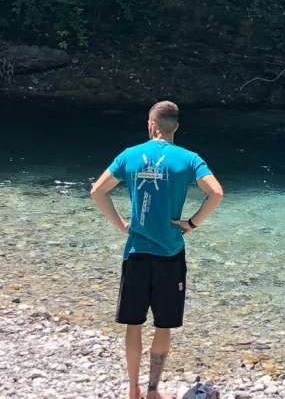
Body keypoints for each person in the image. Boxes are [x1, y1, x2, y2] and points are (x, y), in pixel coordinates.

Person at [89, 101, 224, 399]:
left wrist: (120, 224)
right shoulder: (189, 159)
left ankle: (133, 390)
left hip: (135, 251)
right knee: (163, 325)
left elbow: (97, 191)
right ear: (176, 126)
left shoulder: (130, 156)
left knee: (133, 324)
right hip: (170, 254)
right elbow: (216, 193)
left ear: (151, 125)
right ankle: (153, 390)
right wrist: (191, 223)